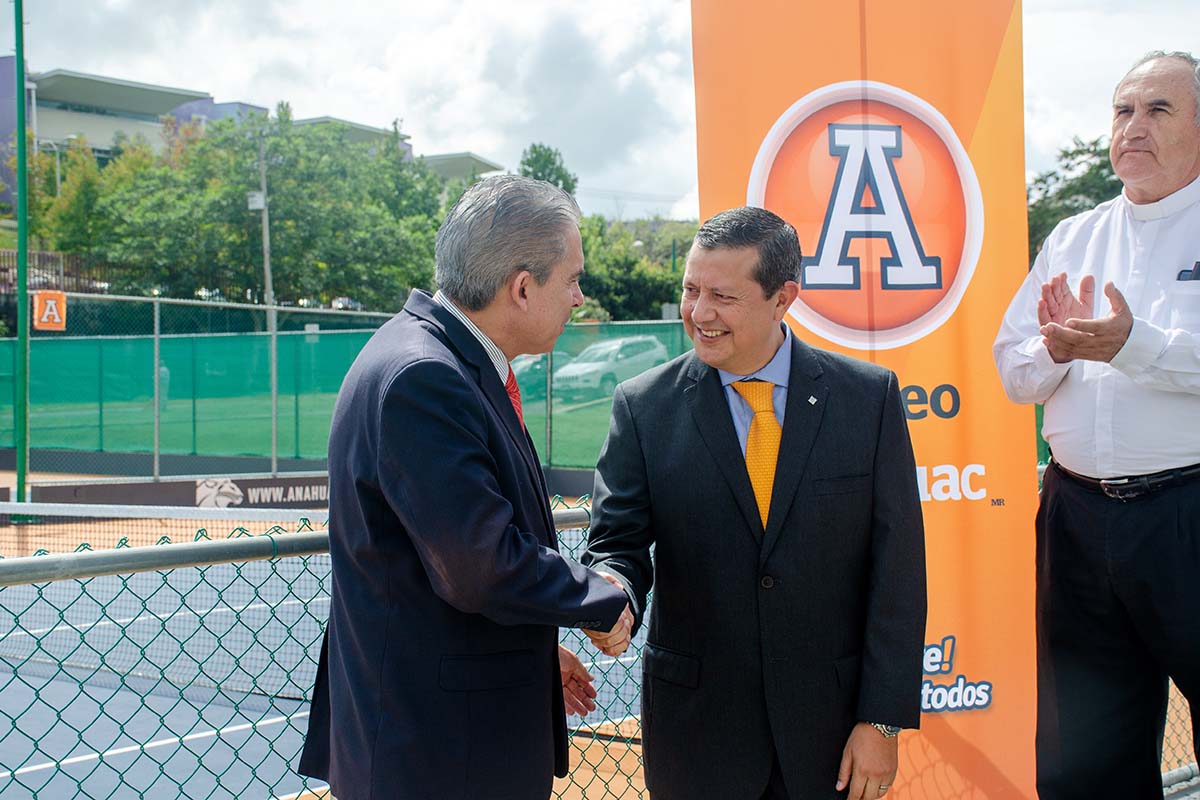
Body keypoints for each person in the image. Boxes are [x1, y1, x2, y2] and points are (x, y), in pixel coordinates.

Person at [298, 175, 633, 800]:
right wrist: (601, 598)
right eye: (573, 280)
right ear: (523, 287)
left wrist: (532, 653)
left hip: (442, 736)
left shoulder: (433, 357)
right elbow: (479, 565)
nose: (580, 297)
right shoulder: (426, 376)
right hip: (436, 755)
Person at [583, 206, 927, 800]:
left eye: (723, 295)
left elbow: (897, 572)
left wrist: (882, 720)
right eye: (691, 290)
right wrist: (613, 594)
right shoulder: (643, 407)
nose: (699, 313)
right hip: (698, 735)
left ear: (783, 297)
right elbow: (618, 543)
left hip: (832, 736)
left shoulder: (867, 399)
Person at [993, 50, 1200, 800]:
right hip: (1078, 518)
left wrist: (1132, 343)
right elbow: (1013, 371)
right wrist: (1052, 348)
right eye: (1122, 110)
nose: (1133, 127)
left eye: (1158, 110)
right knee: (1084, 756)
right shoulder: (1074, 235)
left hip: (1190, 512)